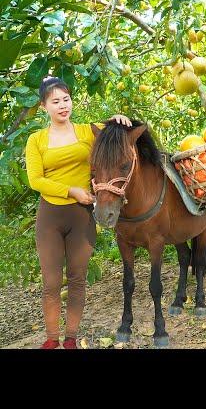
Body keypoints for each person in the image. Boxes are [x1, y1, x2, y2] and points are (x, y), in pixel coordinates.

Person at [25, 77, 132, 349]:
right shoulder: (36, 140)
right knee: (51, 282)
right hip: (50, 216)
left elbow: (112, 136)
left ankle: (70, 338)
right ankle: (51, 339)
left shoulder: (86, 132)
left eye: (66, 99)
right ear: (44, 106)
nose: (63, 106)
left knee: (77, 278)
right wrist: (71, 190)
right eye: (56, 101)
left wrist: (116, 119)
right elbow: (35, 180)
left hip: (81, 217)